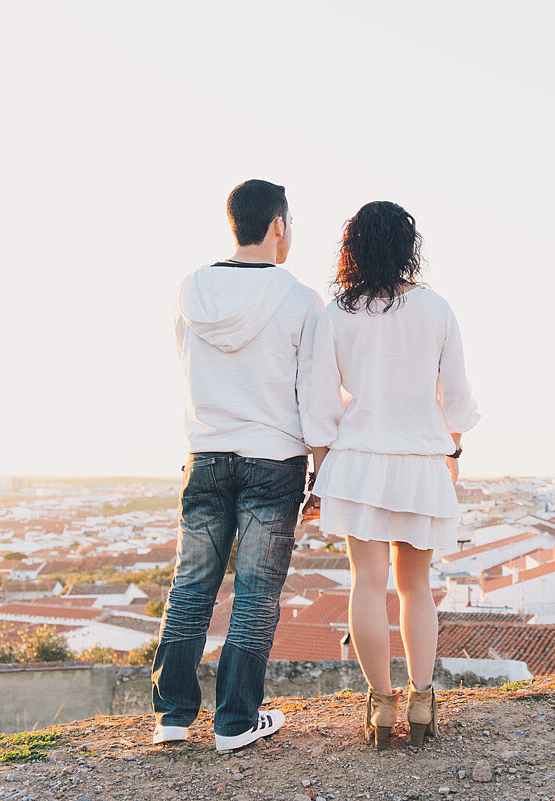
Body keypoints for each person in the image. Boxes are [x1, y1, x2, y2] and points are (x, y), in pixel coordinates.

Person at [301, 201, 479, 749]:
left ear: (352, 248)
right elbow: (458, 403)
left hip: (358, 462)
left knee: (367, 586)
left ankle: (381, 706)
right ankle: (423, 699)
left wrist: (321, 474)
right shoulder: (436, 309)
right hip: (422, 464)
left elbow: (318, 407)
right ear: (408, 247)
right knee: (416, 586)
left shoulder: (333, 314)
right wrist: (451, 455)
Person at [153, 179, 322, 754]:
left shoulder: (190, 290)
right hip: (273, 460)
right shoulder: (300, 299)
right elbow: (314, 395)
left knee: (191, 586)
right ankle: (235, 722)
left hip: (205, 453)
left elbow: (184, 362)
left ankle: (172, 715)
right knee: (254, 592)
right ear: (278, 225)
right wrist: (323, 468)